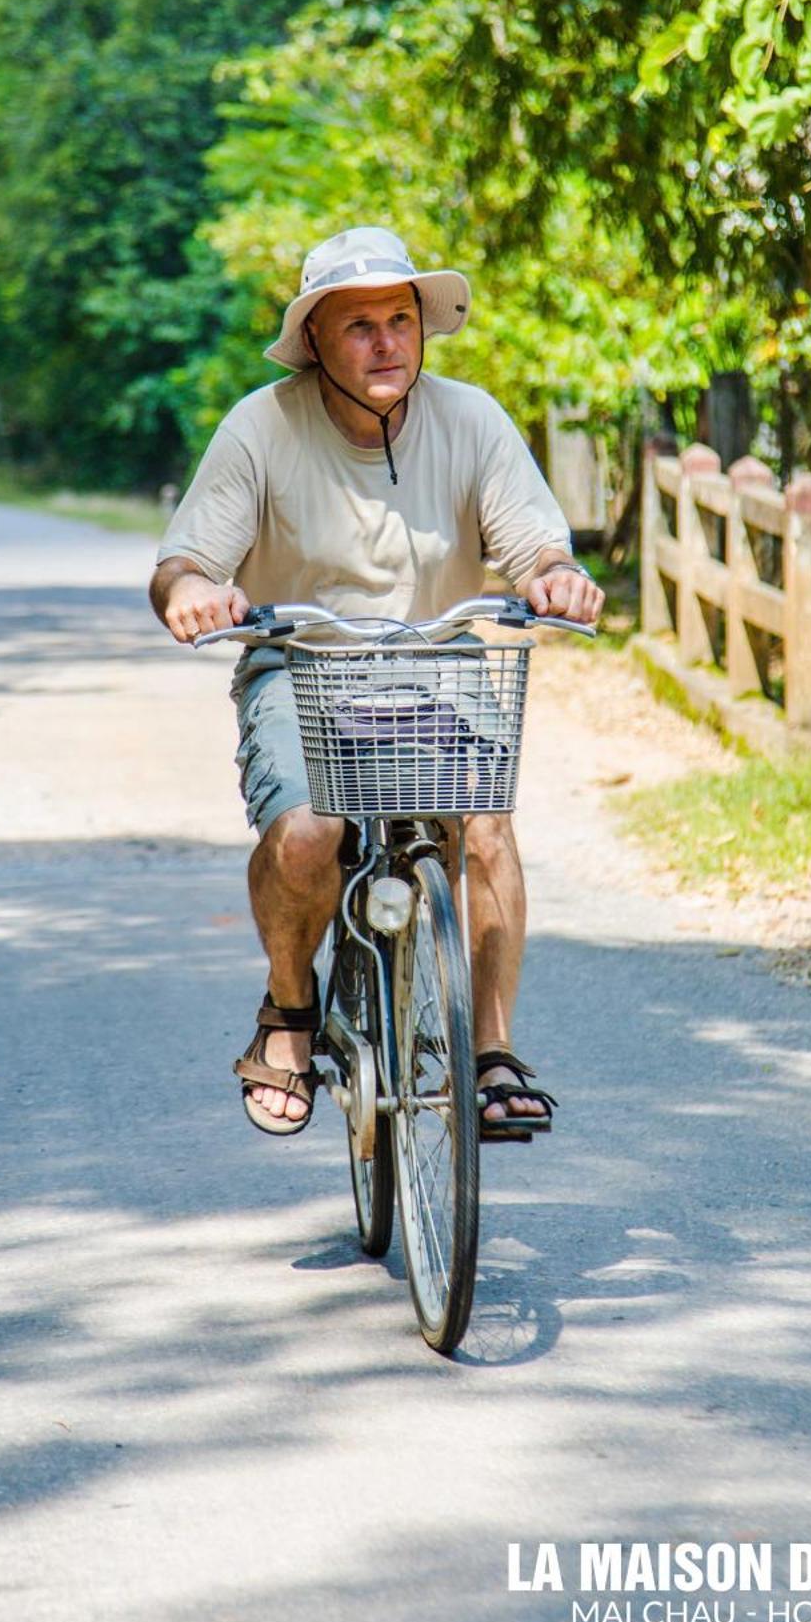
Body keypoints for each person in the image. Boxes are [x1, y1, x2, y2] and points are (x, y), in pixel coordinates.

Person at [149, 224, 604, 1137]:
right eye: (357, 326)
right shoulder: (262, 426)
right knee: (310, 834)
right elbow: (186, 561)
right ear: (313, 338)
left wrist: (551, 574)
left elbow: (533, 543)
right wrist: (196, 590)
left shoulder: (471, 418)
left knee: (481, 829)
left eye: (399, 319)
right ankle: (287, 1011)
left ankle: (493, 1050)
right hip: (302, 660)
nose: (385, 341)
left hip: (439, 661)